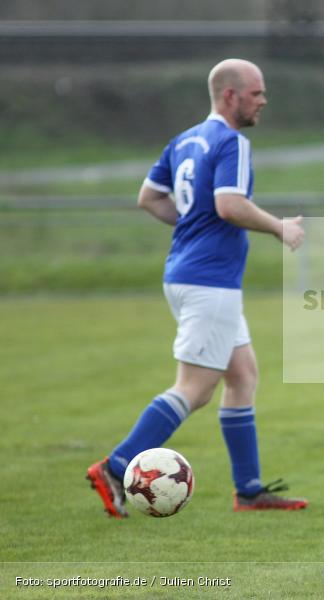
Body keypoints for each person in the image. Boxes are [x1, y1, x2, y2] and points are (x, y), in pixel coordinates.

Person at [86, 58, 308, 518]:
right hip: (209, 280)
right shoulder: (231, 140)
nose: (263, 100)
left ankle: (249, 491)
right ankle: (116, 466)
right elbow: (229, 205)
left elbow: (148, 198)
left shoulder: (184, 139)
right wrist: (279, 227)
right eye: (256, 92)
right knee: (195, 388)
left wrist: (191, 226)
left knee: (242, 375)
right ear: (230, 96)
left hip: (189, 273)